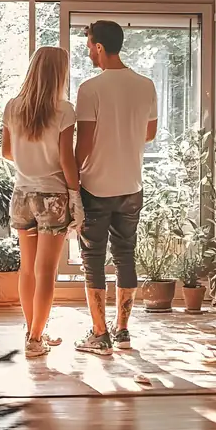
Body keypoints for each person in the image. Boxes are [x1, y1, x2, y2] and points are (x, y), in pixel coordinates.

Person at [74, 20, 158, 356]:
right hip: (131, 185)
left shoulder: (90, 89)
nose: (87, 52)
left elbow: (84, 143)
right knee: (125, 255)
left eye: (88, 45)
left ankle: (100, 335)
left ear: (97, 46)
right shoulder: (146, 85)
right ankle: (123, 332)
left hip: (96, 185)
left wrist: (71, 179)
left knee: (92, 259)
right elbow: (148, 134)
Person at [2, 47, 84, 358]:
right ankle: (36, 337)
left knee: (27, 269)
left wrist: (28, 159)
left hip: (21, 195)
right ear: (59, 74)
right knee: (46, 270)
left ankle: (33, 331)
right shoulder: (64, 110)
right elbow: (66, 159)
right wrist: (76, 197)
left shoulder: (12, 107)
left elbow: (7, 152)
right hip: (53, 197)